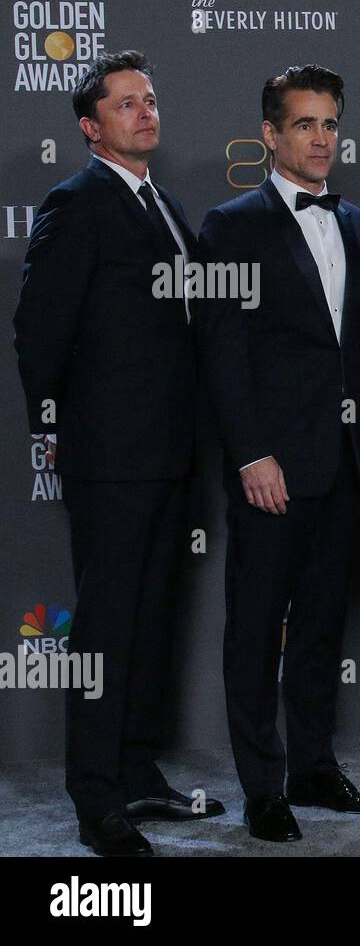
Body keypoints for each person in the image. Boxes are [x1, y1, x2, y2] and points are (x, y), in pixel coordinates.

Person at [13, 50, 225, 856]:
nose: (145, 112)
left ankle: (138, 773)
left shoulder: (163, 204)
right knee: (104, 630)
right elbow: (39, 331)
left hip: (174, 454)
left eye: (150, 99)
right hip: (111, 457)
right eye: (126, 104)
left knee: (152, 620)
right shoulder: (77, 202)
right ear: (90, 125)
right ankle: (95, 797)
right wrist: (65, 429)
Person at [194, 65, 360, 842]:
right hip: (273, 467)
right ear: (270, 136)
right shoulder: (230, 227)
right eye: (305, 124)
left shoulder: (358, 225)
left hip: (345, 462)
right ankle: (263, 789)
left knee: (321, 625)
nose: (322, 138)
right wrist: (251, 453)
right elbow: (222, 352)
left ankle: (314, 768)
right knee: (255, 627)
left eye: (330, 124)